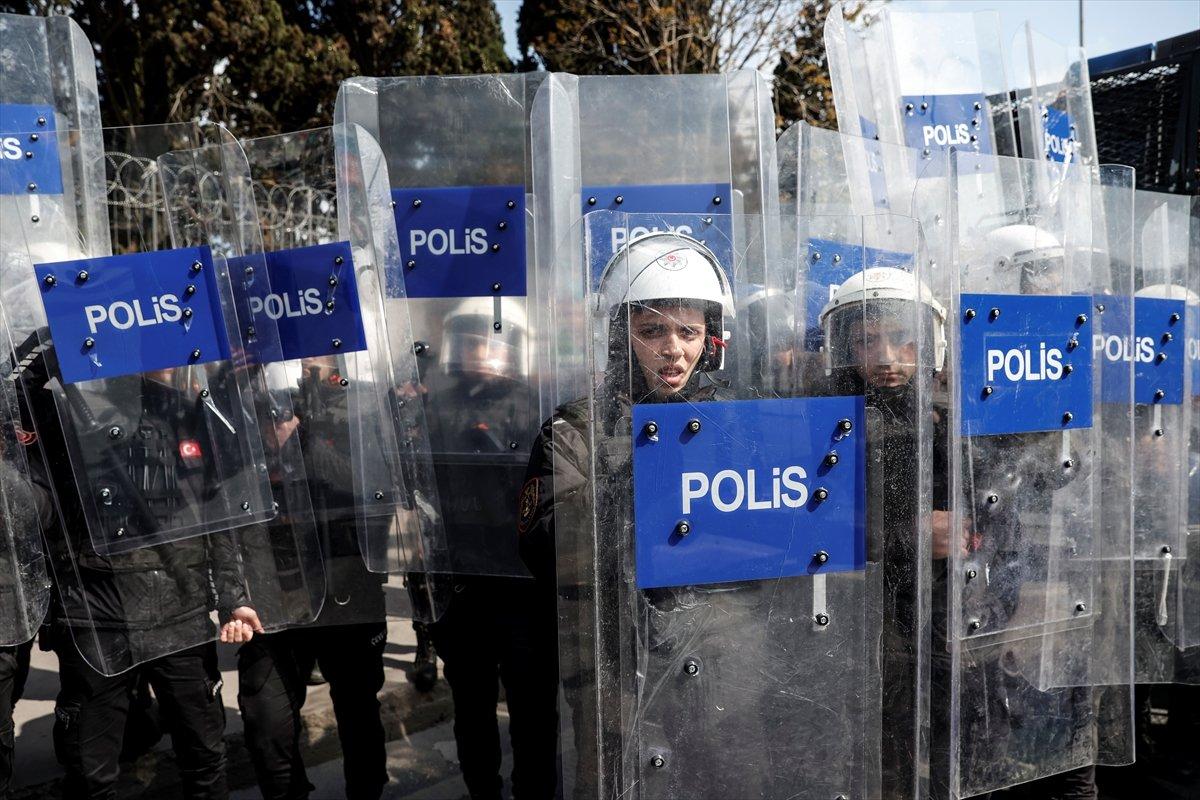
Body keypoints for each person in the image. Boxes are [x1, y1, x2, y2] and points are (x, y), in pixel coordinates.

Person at [519, 231, 739, 797]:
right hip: (614, 663)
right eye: (652, 331)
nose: (674, 349)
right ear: (622, 340)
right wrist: (636, 481)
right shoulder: (576, 430)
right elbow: (546, 543)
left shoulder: (736, 425)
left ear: (710, 342)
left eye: (688, 332)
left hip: (714, 652)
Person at [13, 335, 263, 800]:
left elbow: (217, 512)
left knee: (204, 753)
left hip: (180, 612)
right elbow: (11, 392)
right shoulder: (64, 412)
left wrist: (234, 597)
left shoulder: (183, 412)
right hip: (96, 614)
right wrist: (52, 331)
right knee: (90, 771)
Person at [420, 297, 558, 800]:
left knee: (532, 710)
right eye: (471, 337)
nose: (480, 348)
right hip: (463, 581)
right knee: (471, 707)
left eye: (490, 336)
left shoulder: (538, 405)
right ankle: (482, 791)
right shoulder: (435, 404)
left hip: (523, 585)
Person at [819, 264, 948, 797]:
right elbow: (814, 524)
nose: (887, 358)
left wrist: (969, 529)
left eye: (903, 339)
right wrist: (909, 535)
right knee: (882, 752)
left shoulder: (946, 418)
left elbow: (995, 503)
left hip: (942, 607)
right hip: (863, 613)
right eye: (868, 341)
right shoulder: (825, 420)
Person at [236, 356, 389, 800]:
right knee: (266, 723)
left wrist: (302, 441)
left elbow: (372, 485)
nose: (300, 359)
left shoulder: (359, 403)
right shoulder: (248, 404)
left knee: (358, 709)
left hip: (345, 586)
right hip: (273, 589)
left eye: (311, 352)